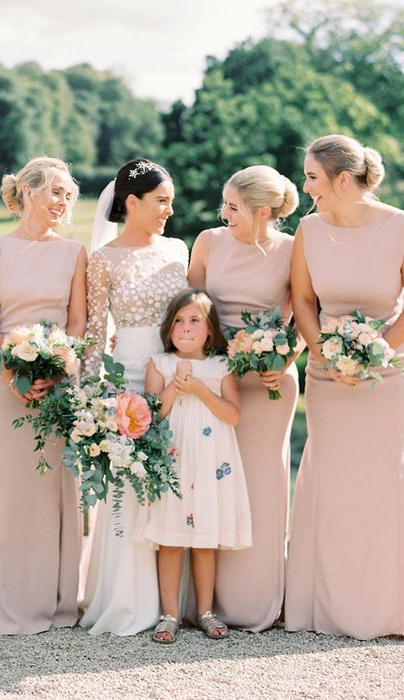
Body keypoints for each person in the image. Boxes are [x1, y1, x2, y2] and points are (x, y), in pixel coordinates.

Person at [286, 134, 404, 640]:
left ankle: (386, 608)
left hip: (390, 376)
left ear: (341, 178)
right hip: (328, 378)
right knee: (332, 484)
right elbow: (303, 301)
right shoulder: (309, 229)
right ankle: (325, 608)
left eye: (312, 177)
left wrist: (375, 353)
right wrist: (327, 355)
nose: (305, 186)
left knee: (383, 486)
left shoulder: (400, 226)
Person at [0, 156, 87, 634]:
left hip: (59, 383)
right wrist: (12, 374)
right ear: (29, 193)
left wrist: (59, 366)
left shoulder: (74, 252)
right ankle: (7, 596)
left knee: (55, 489)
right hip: (3, 382)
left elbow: (77, 322)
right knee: (10, 485)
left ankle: (57, 599)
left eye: (68, 195)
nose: (63, 202)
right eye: (56, 192)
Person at [187, 165, 300, 631]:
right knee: (207, 481)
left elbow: (305, 313)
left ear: (263, 211)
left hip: (268, 385)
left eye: (233, 207)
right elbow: (188, 308)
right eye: (224, 204)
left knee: (261, 484)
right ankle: (204, 601)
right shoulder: (209, 242)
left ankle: (256, 600)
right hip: (214, 380)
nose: (223, 213)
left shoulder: (295, 250)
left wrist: (285, 359)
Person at [79, 159, 189, 636]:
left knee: (176, 479)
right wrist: (93, 400)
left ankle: (173, 602)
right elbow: (93, 330)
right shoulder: (104, 259)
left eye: (170, 200)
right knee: (129, 486)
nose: (169, 209)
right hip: (125, 379)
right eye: (161, 201)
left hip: (176, 378)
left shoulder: (178, 250)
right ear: (132, 203)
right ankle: (125, 599)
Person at [144, 289, 252, 643]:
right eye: (178, 321)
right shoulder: (158, 364)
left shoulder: (221, 366)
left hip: (209, 465)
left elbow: (233, 415)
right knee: (171, 540)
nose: (186, 329)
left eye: (195, 321)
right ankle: (169, 613)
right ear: (169, 328)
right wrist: (175, 387)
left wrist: (201, 390)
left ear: (210, 330)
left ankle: (205, 610)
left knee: (205, 540)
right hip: (173, 464)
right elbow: (152, 414)